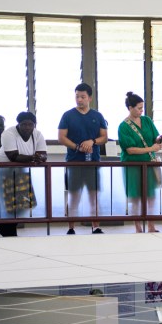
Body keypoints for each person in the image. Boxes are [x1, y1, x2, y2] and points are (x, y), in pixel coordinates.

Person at [58, 82, 108, 235]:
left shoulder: (97, 116)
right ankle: (71, 227)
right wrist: (77, 146)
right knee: (74, 195)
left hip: (93, 161)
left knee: (94, 195)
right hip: (74, 161)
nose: (79, 100)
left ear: (90, 98)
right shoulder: (67, 115)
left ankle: (96, 226)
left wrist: (92, 142)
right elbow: (61, 137)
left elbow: (104, 137)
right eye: (77, 97)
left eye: (83, 97)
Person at [0, 111, 47, 237]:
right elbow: (13, 156)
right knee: (9, 205)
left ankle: (0, 228)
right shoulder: (9, 133)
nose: (27, 127)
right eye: (24, 124)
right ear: (18, 124)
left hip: (20, 170)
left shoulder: (37, 135)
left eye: (30, 124)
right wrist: (35, 157)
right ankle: (7, 232)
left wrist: (40, 157)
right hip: (3, 169)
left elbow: (43, 154)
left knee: (23, 204)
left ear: (34, 125)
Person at [118, 91, 162, 234]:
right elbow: (130, 150)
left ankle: (151, 225)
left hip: (149, 163)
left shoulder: (147, 120)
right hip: (132, 165)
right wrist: (151, 148)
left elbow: (154, 136)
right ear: (130, 108)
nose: (141, 111)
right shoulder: (123, 126)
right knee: (135, 196)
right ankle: (137, 226)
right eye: (138, 108)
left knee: (151, 195)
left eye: (142, 108)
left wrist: (158, 140)